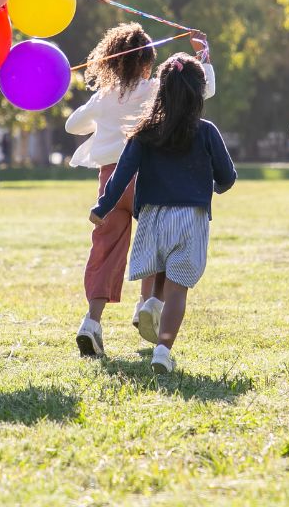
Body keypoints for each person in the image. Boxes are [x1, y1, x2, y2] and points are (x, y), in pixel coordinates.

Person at [66, 24, 215, 357]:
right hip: (148, 179)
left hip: (110, 183)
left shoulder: (104, 97)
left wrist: (101, 109)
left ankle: (92, 322)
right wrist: (202, 55)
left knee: (105, 251)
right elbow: (202, 91)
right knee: (159, 244)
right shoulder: (154, 90)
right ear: (148, 63)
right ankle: (147, 305)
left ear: (112, 63)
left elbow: (71, 125)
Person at [90, 53, 236, 373]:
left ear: (161, 91)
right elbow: (227, 176)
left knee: (159, 268)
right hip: (190, 218)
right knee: (178, 289)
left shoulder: (144, 132)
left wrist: (103, 207)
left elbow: (122, 175)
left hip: (153, 217)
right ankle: (162, 350)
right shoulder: (207, 131)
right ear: (198, 93)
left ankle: (151, 303)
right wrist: (215, 186)